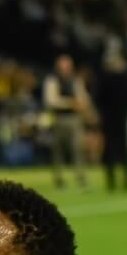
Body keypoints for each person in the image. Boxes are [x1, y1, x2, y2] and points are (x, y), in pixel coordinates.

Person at [43, 54, 91, 190]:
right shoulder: (52, 80)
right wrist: (71, 103)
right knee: (58, 151)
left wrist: (83, 104)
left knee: (78, 148)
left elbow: (83, 96)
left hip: (74, 118)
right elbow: (51, 100)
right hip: (59, 118)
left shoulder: (75, 80)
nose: (66, 68)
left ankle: (81, 177)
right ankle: (59, 179)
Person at [93, 49, 127, 192]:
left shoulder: (104, 78)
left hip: (108, 119)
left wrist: (104, 112)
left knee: (109, 150)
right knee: (123, 150)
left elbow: (98, 99)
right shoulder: (125, 78)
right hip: (122, 118)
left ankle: (111, 181)